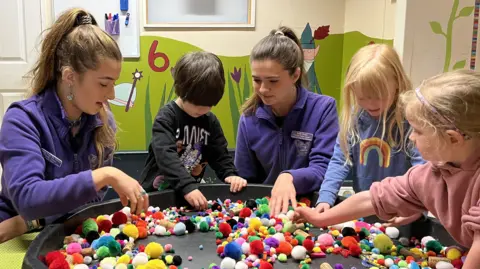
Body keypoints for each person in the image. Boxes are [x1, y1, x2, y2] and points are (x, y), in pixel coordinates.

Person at [294, 69, 480, 268]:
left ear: (453, 138)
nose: (411, 137)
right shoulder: (432, 173)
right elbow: (375, 197)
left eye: (418, 131)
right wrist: (323, 219)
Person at [0, 8, 149, 243]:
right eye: (103, 84)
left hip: (55, 231)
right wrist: (105, 174)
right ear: (69, 76)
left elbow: (90, 201)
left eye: (114, 84)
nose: (110, 94)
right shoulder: (22, 120)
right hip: (14, 239)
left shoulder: (103, 121)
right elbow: (28, 199)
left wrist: (30, 222)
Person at [315, 44, 425, 226]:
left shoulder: (411, 119)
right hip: (365, 211)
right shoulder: (355, 117)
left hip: (403, 213)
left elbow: (423, 169)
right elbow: (339, 161)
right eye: (362, 97)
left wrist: (418, 205)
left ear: (396, 83)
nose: (370, 103)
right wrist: (325, 197)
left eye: (378, 96)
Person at [234, 26, 339, 217]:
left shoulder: (323, 108)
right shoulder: (248, 117)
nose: (263, 89)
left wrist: (289, 177)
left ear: (295, 75)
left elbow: (323, 168)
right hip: (265, 212)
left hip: (310, 208)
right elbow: (245, 178)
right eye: (257, 80)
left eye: (273, 81)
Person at [139, 51, 247, 210]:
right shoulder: (167, 117)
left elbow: (219, 153)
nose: (203, 110)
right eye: (197, 104)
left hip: (188, 196)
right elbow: (165, 155)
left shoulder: (210, 120)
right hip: (156, 196)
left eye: (209, 104)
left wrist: (230, 173)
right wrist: (187, 186)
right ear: (181, 91)